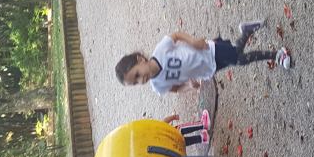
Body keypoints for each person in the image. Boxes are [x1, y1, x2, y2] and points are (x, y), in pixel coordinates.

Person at [114, 20, 291, 95]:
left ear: (139, 59)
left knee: (239, 59)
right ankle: (246, 30)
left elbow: (176, 35)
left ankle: (277, 55)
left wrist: (193, 41)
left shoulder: (160, 50)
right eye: (136, 82)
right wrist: (189, 86)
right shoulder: (158, 85)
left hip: (207, 51)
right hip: (207, 68)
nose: (141, 80)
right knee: (237, 53)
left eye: (137, 74)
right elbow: (175, 89)